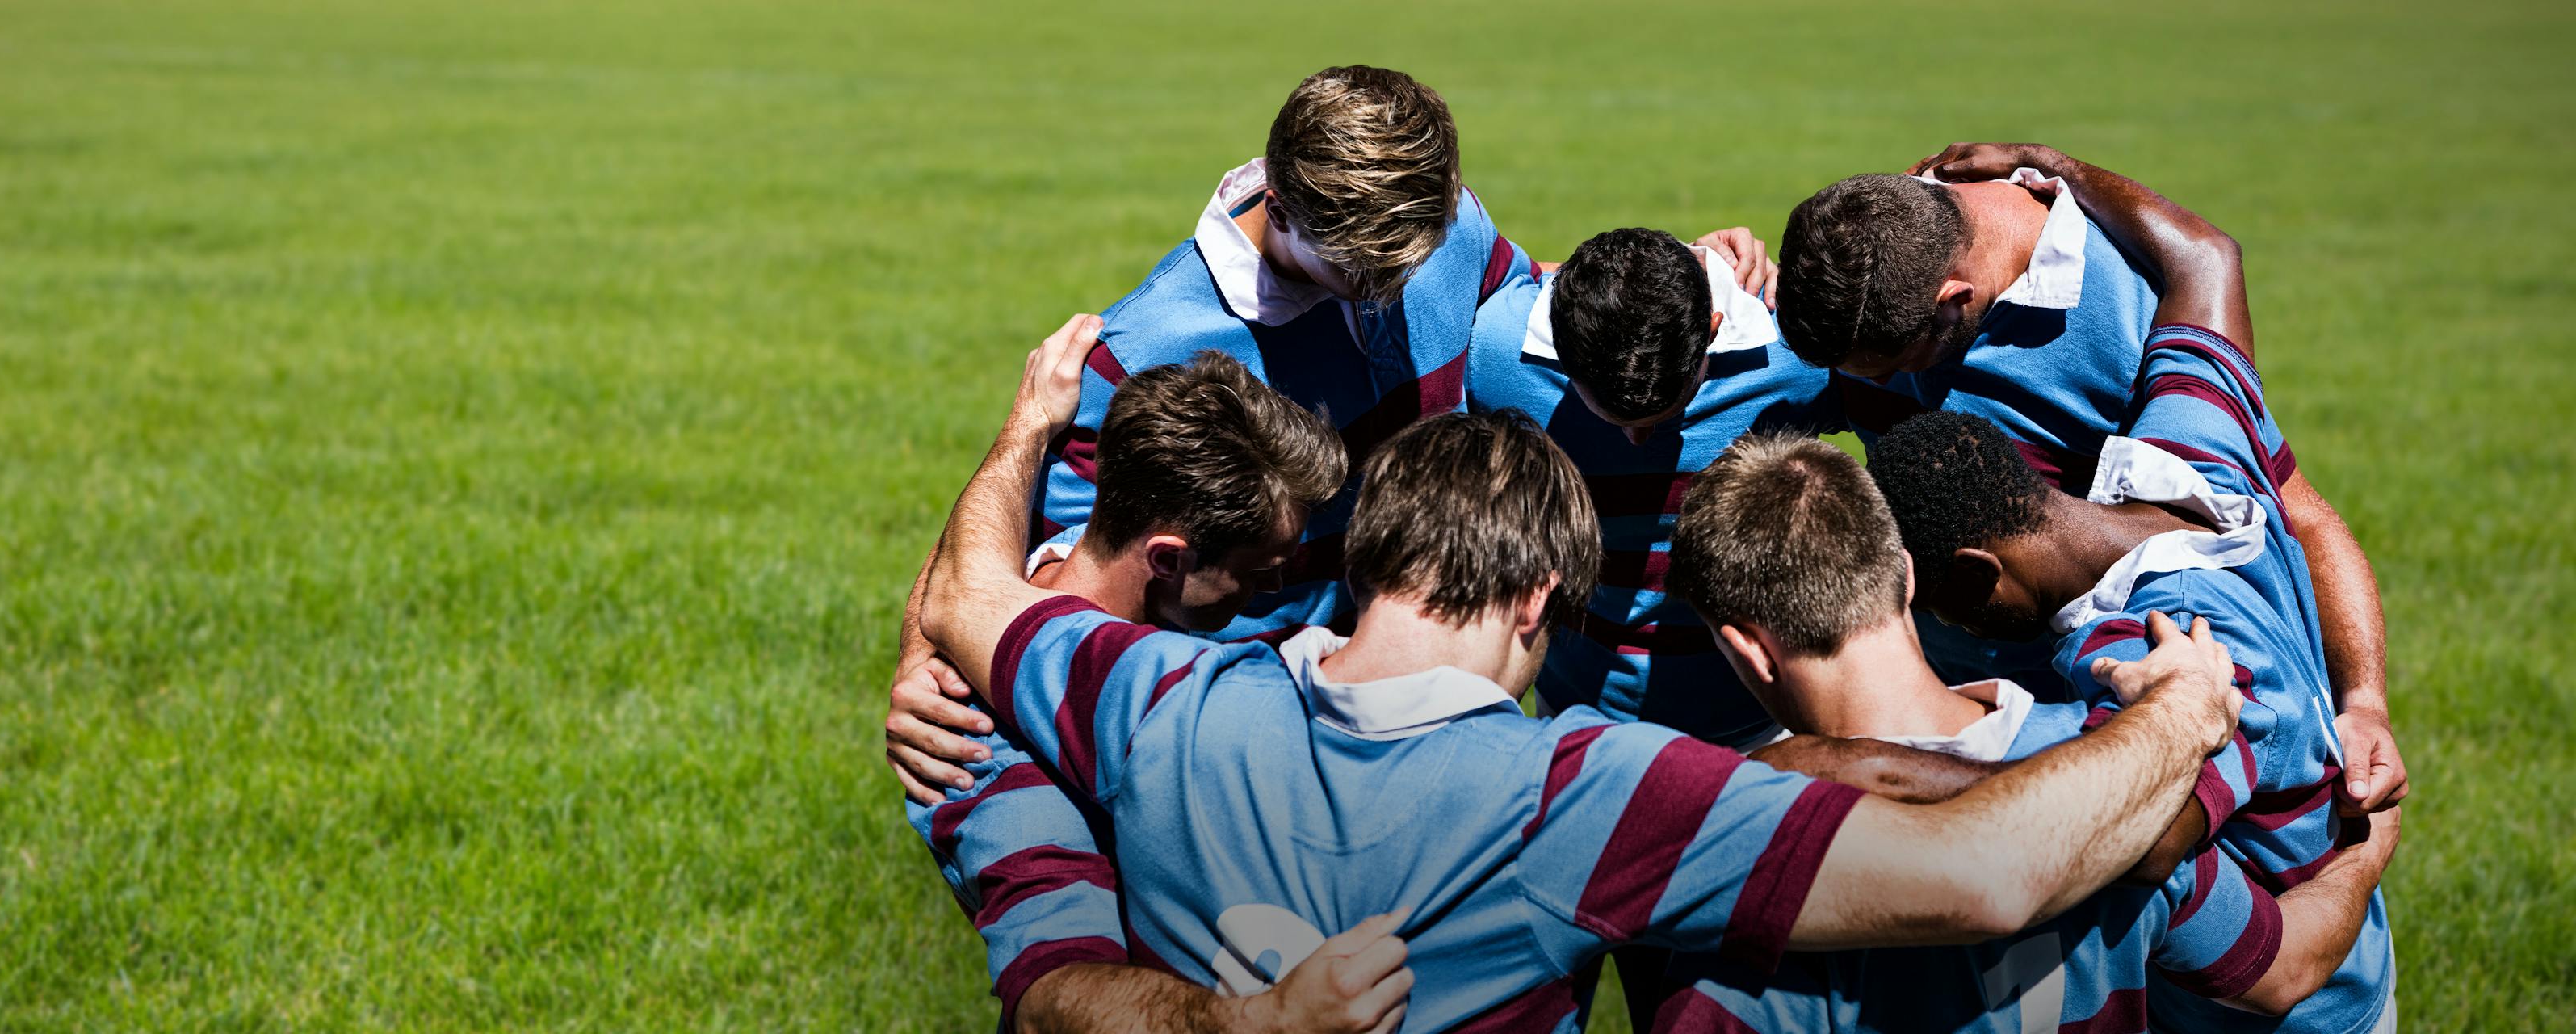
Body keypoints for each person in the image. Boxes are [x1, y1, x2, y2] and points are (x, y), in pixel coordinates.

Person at [910, 326, 2251, 1033]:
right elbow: (1985, 877)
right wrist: (2182, 715)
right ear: (1540, 601)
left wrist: (1029, 427)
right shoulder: (1583, 795)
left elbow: (969, 601)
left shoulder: (1149, 694)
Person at [1643, 431, 2400, 1031]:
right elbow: (2282, 974)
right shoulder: (2132, 786)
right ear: (1906, 574)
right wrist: (2367, 853)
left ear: (1745, 647)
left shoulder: (1749, 859)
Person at [1774, 144, 2406, 816]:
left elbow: (2295, 512)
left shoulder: (2128, 313)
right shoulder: (1871, 254)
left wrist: (2363, 704)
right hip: (1946, 730)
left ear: (1951, 304)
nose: (1858, 390)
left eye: (1880, 372)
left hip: (2123, 736)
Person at [906, 335, 1417, 1032]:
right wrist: (1266, 1023)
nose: (1277, 592)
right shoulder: (976, 735)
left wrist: (1029, 422)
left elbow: (971, 574)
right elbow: (1053, 996)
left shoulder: (1100, 580)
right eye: (1261, 573)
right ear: (1169, 559)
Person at [1867, 396, 2398, 1028]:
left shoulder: (2154, 651)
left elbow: (2141, 839)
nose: (1952, 628)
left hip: (2281, 1008)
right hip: (2353, 958)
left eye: (1939, 608)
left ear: (1975, 573)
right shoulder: (2196, 449)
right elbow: (2205, 333)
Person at [1460, 225, 1833, 746]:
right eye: (1613, 418)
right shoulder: (1496, 354)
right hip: (1572, 718)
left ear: (1712, 328)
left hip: (1755, 724)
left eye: (1667, 412)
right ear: (1560, 345)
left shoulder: (1795, 357)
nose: (1638, 440)